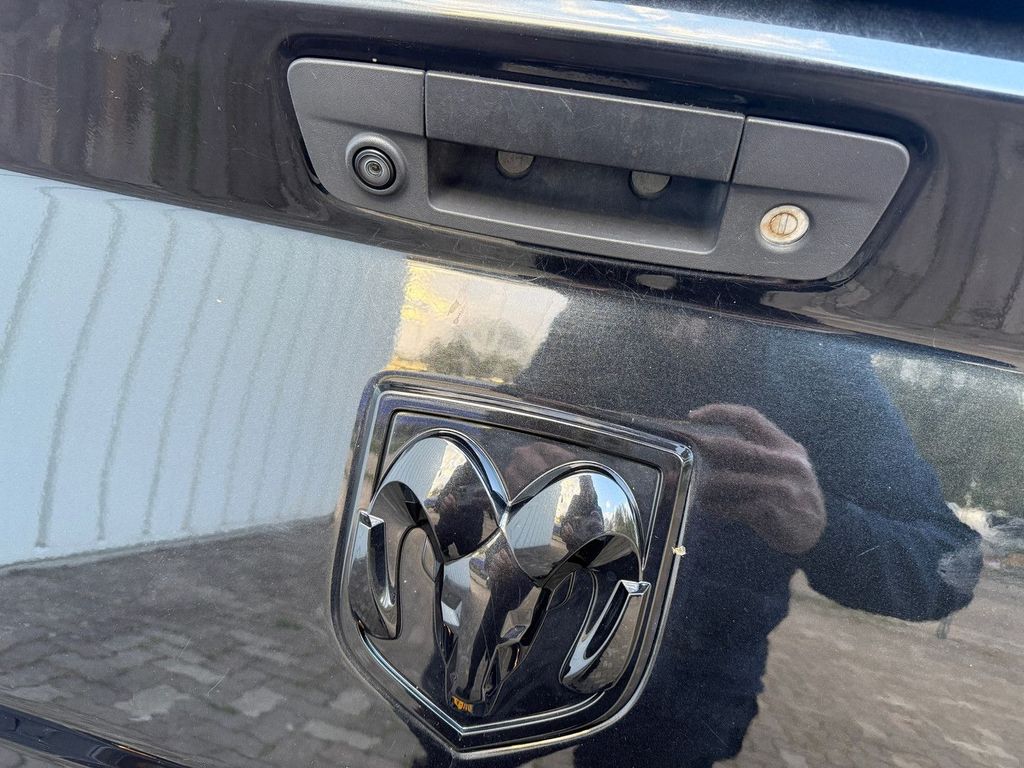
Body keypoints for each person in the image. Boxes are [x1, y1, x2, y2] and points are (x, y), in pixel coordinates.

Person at [507, 294, 982, 767]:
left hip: (691, 683)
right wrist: (511, 469)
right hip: (537, 635)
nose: (689, 329)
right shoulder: (596, 325)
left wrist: (824, 527)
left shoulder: (824, 370)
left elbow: (948, 566)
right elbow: (501, 442)